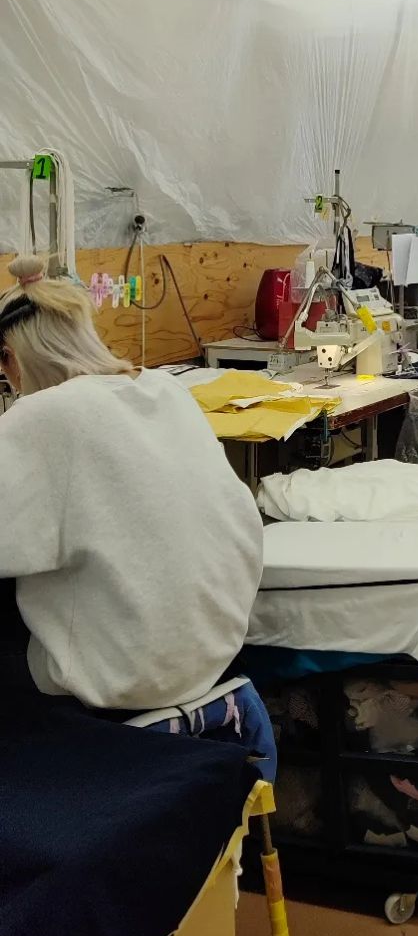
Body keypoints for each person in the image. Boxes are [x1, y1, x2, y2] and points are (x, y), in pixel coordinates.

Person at [0, 256, 263, 712]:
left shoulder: (40, 417)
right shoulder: (167, 390)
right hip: (213, 654)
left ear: (11, 357)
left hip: (122, 676)